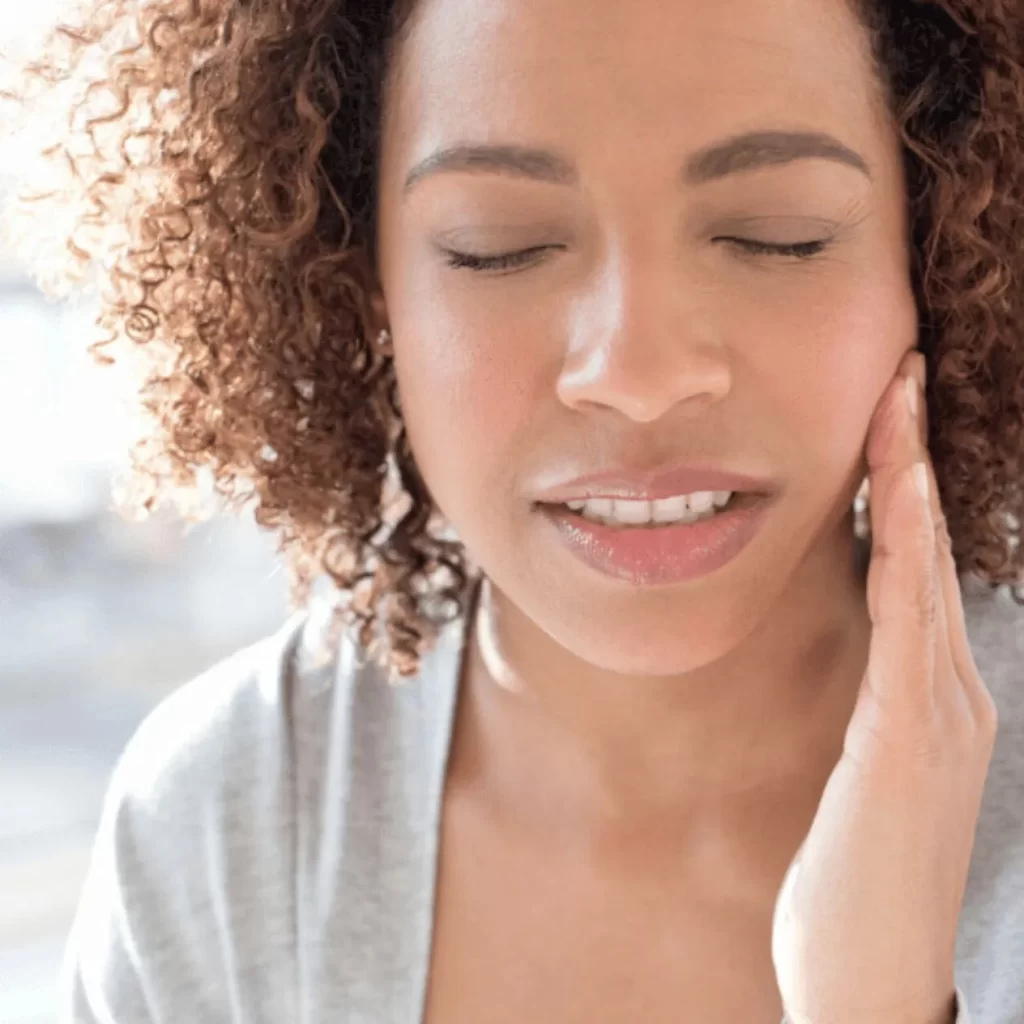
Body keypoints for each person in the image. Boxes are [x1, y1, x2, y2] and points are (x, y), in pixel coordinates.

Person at [3, 0, 1023, 1020]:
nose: (637, 371)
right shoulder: (224, 835)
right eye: (500, 247)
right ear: (365, 289)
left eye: (776, 238)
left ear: (934, 258)